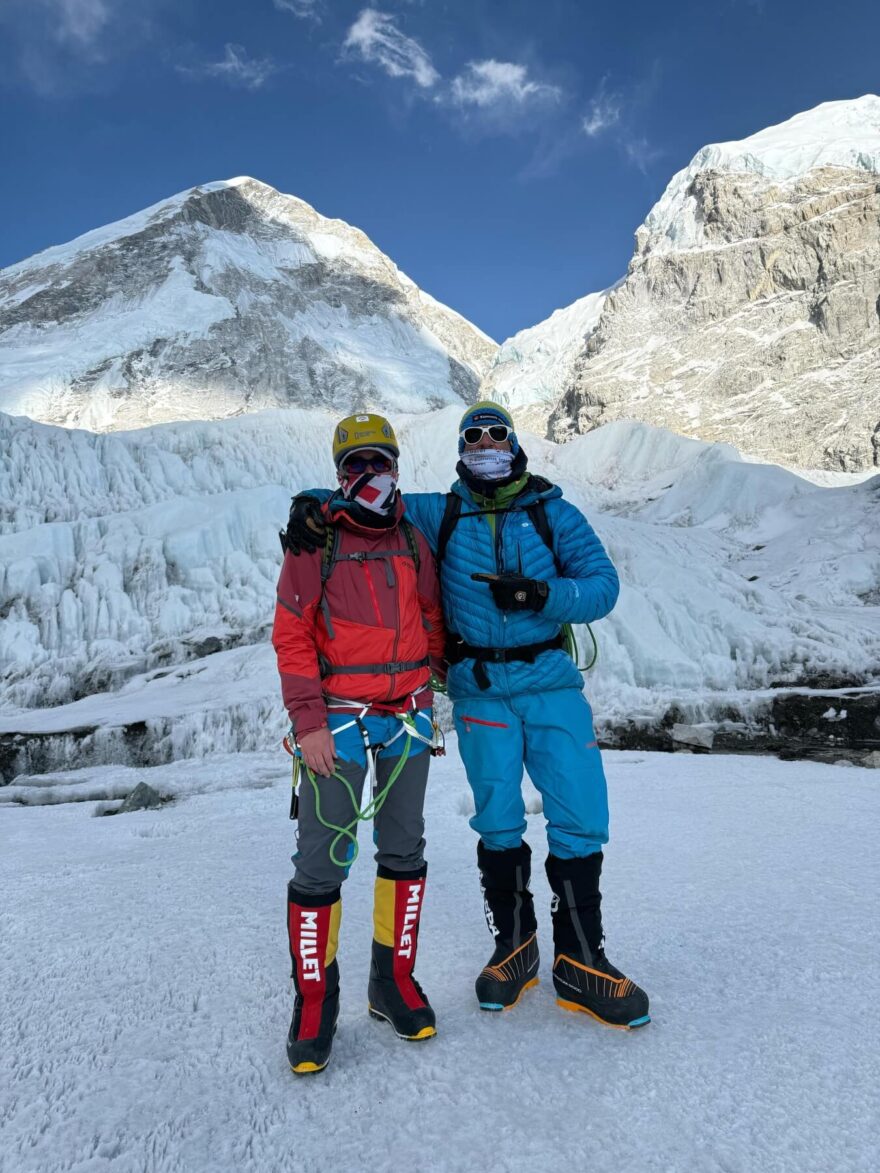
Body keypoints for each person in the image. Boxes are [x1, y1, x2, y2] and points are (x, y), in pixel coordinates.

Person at [285, 401, 650, 1031]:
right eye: (473, 437)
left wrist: (544, 595)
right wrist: (310, 502)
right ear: (460, 448)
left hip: (549, 683)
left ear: (513, 444)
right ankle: (514, 949)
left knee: (580, 816)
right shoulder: (440, 510)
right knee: (498, 820)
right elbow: (370, 499)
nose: (485, 445)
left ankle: (583, 960)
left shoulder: (553, 513)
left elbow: (602, 586)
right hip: (480, 690)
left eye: (496, 435)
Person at [273, 413, 446, 1075]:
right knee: (322, 861)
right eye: (355, 463)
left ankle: (390, 983)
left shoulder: (410, 536)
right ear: (339, 471)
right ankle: (315, 999)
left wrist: (432, 682)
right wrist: (308, 722)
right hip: (337, 720)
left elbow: (430, 615)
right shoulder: (315, 538)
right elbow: (291, 634)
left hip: (405, 716)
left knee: (404, 848)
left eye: (380, 460)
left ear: (397, 465)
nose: (368, 473)